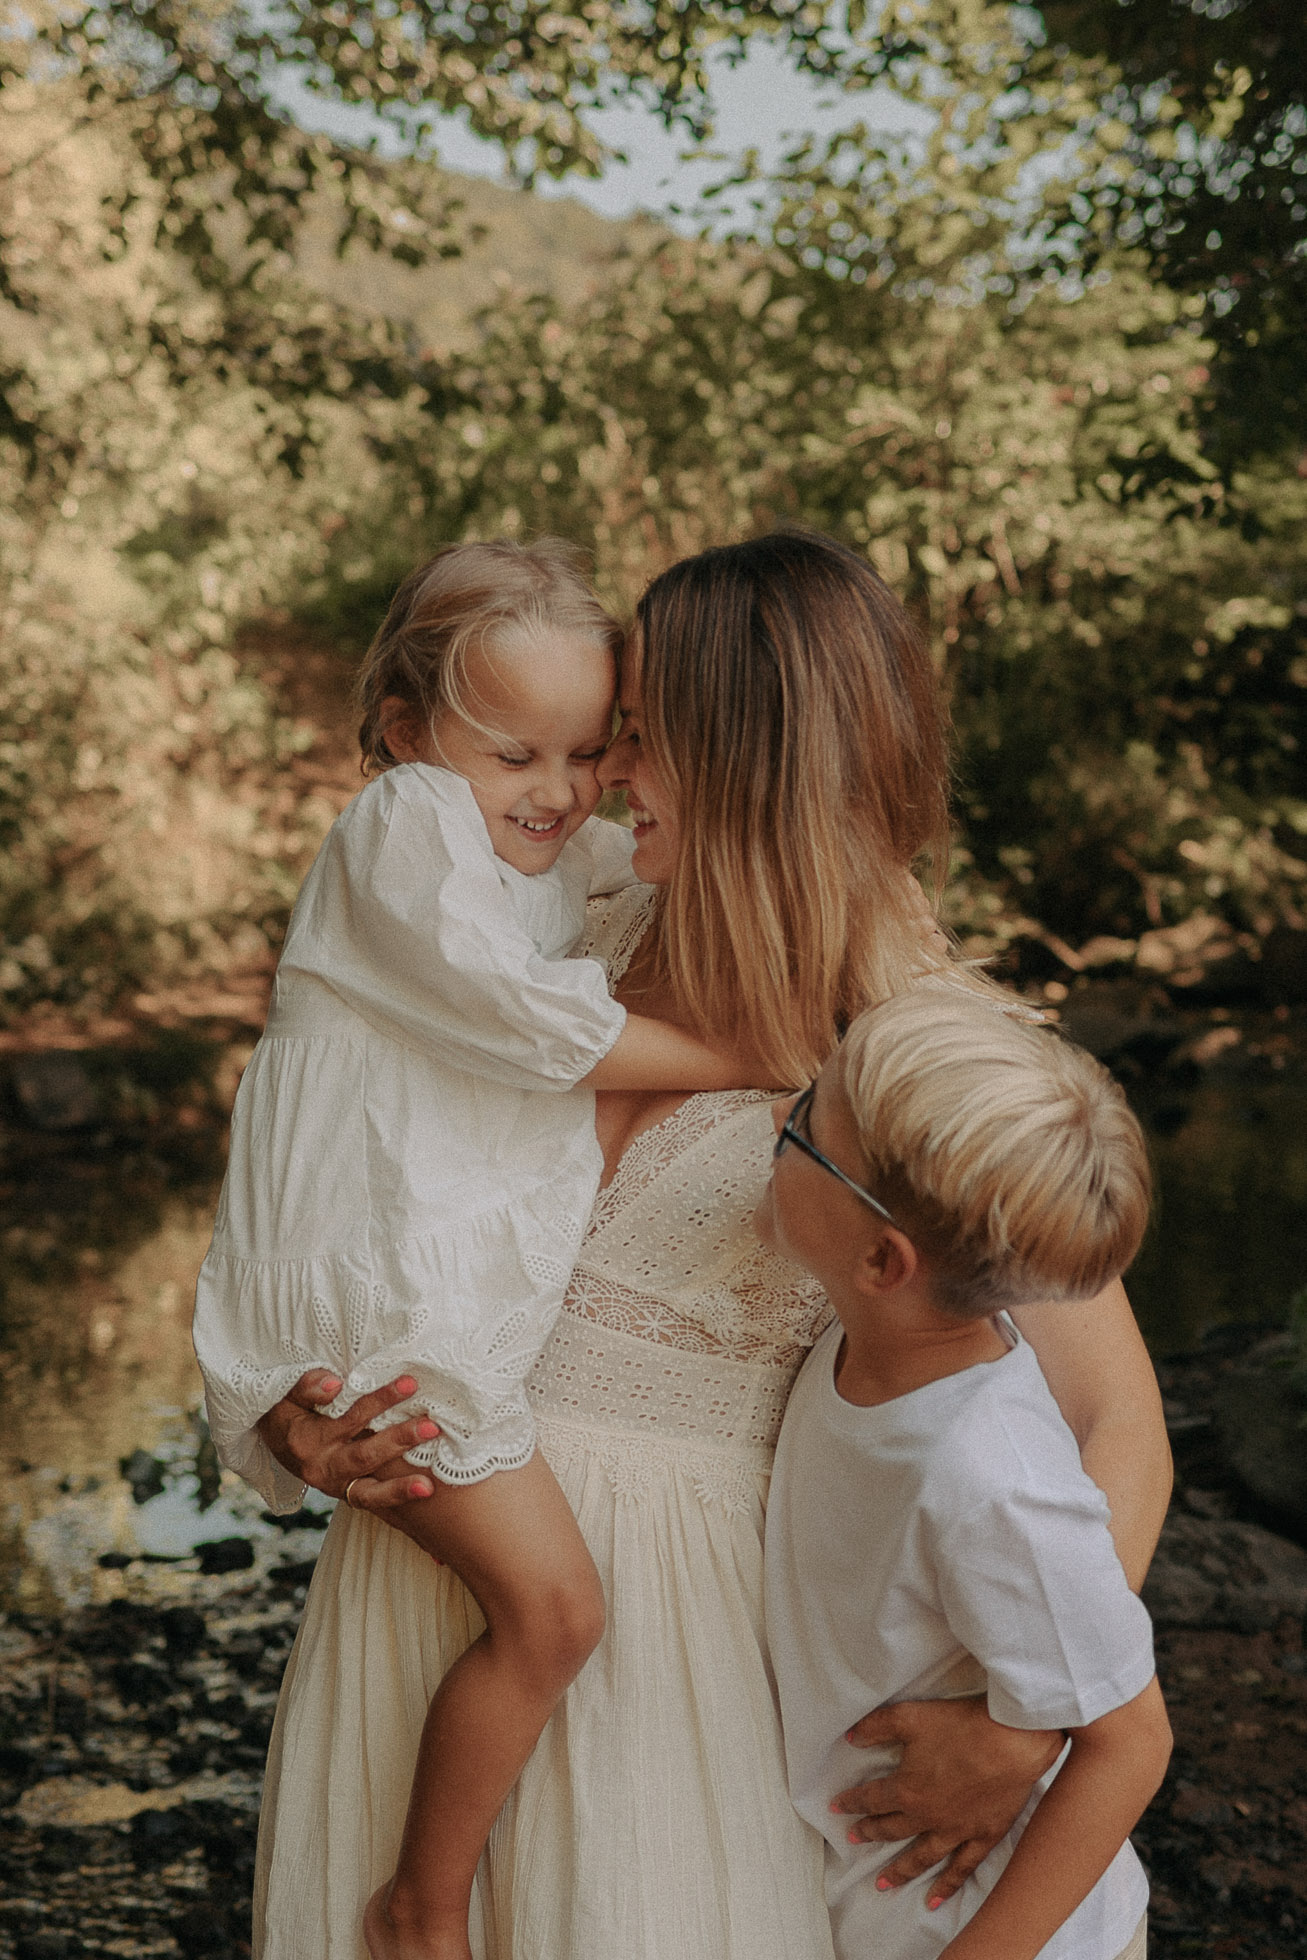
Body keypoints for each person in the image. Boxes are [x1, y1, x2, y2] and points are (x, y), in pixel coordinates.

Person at [250, 532, 1173, 1960]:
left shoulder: (908, 1031)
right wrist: (295, 1409)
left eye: (639, 739)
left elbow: (1115, 1419)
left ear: (747, 765)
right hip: (424, 1584)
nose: (603, 777)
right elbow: (339, 1173)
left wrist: (1025, 1722)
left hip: (662, 1658)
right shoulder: (551, 921)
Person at [192, 539, 758, 1960]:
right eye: (514, 752)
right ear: (401, 730)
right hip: (386, 1321)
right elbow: (520, 1023)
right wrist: (748, 1052)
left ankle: (423, 1894)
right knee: (555, 1608)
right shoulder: (403, 831)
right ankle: (419, 1909)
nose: (562, 792)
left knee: (548, 1613)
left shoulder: (549, 862)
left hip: (431, 1312)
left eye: (588, 749)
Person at [760, 988, 1173, 1960]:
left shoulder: (993, 1474)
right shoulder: (866, 1346)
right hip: (878, 1900)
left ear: (880, 1258)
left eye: (798, 1128)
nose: (771, 1134)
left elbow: (1132, 1739)